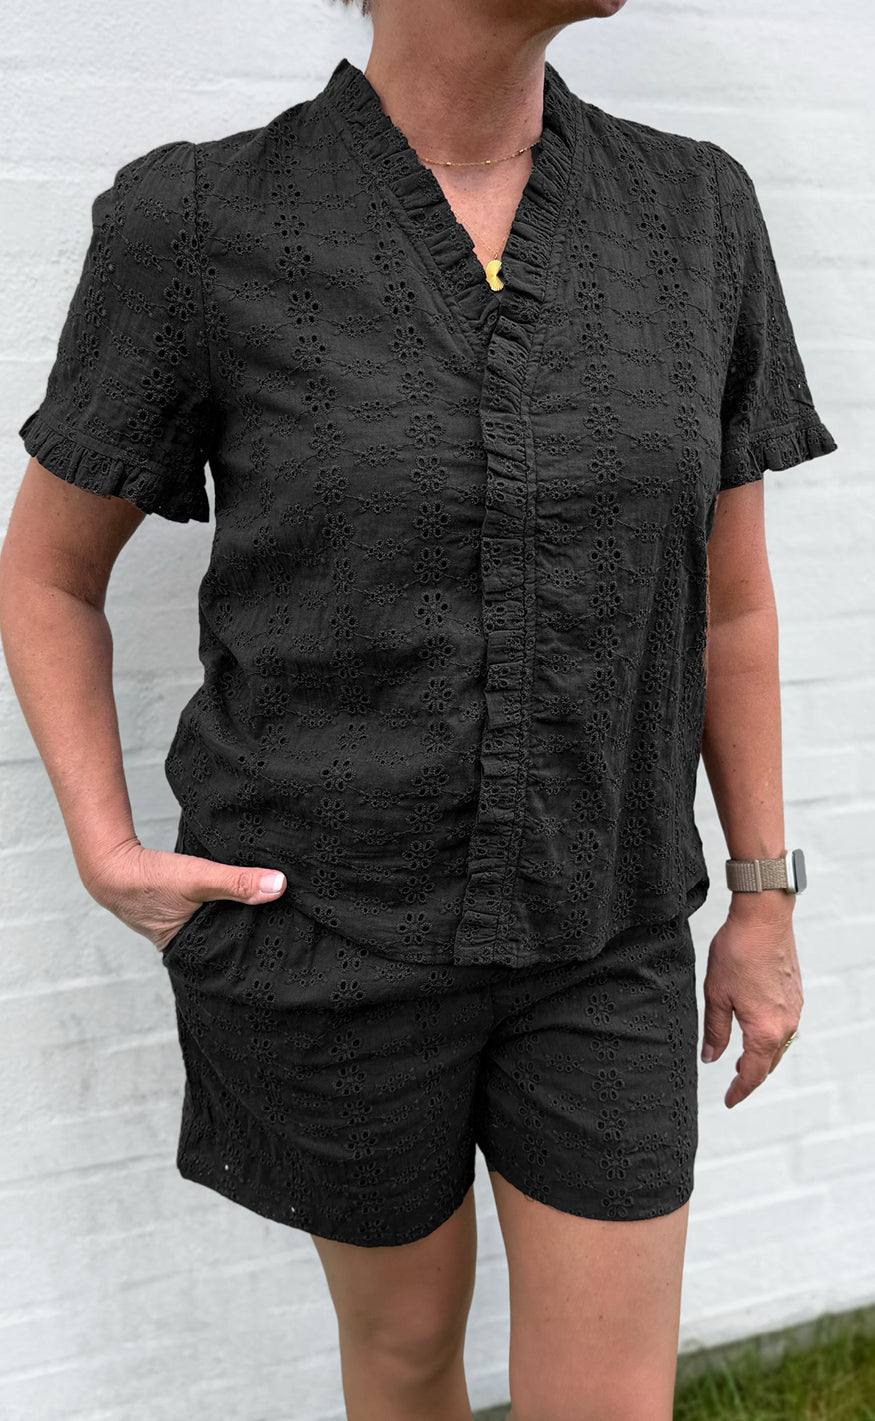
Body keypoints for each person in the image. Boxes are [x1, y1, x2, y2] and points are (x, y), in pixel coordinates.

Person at [0, 1, 838, 1417]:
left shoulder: (694, 213)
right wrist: (105, 845)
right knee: (400, 1360)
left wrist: (763, 899)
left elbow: (730, 606)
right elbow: (47, 575)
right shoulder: (199, 222)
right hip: (328, 936)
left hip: (606, 929)